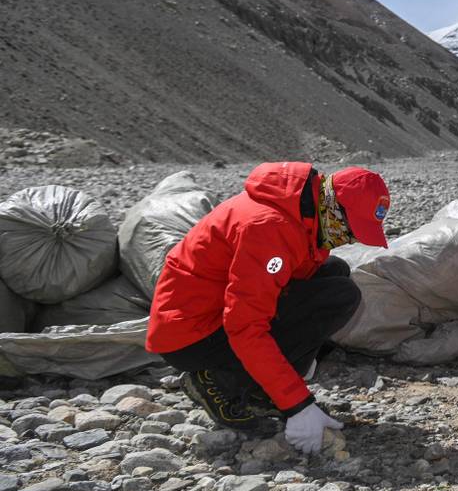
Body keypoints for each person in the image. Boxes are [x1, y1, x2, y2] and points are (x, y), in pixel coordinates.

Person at [146, 162, 390, 452]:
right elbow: (245, 325)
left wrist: (304, 350)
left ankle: (261, 387)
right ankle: (220, 382)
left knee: (334, 272)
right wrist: (297, 404)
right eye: (351, 230)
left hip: (208, 315)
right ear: (334, 209)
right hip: (190, 335)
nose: (349, 238)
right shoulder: (270, 228)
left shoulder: (304, 211)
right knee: (339, 295)